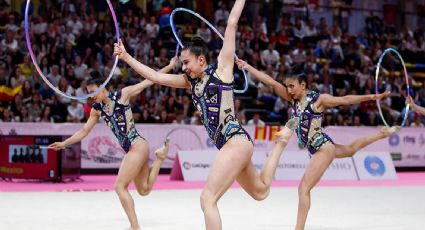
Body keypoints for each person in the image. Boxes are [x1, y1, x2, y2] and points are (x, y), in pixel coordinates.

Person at [113, 1, 294, 229]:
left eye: (186, 62)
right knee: (261, 191)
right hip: (235, 144)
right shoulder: (190, 84)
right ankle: (279, 144)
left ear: (201, 60)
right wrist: (127, 57)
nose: (183, 68)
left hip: (234, 142)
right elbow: (156, 78)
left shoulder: (222, 70)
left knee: (207, 198)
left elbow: (231, 23)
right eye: (181, 64)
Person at [235, 59, 398, 230]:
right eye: (287, 86)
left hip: (322, 148)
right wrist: (248, 67)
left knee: (303, 188)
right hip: (321, 145)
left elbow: (346, 100)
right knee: (350, 150)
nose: (288, 90)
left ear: (303, 85)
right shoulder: (294, 100)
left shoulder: (319, 100)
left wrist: (372, 97)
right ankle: (381, 134)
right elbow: (271, 82)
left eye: (292, 86)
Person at [49, 58, 177, 230]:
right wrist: (64, 143)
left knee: (119, 186)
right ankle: (160, 157)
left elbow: (150, 80)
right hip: (136, 148)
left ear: (103, 87)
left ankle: (135, 227)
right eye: (89, 94)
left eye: (93, 92)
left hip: (136, 145)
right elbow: (84, 131)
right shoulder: (97, 109)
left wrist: (169, 66)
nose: (92, 96)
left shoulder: (122, 95)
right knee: (144, 190)